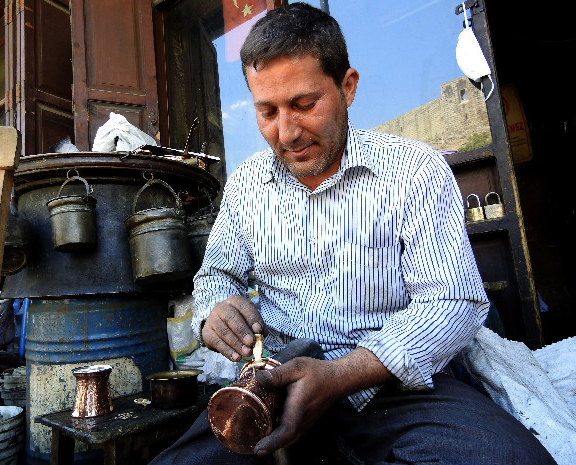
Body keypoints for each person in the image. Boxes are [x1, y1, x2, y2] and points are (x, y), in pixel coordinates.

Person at [151, 3, 556, 464]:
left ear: (347, 87)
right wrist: (214, 312)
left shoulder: (413, 170)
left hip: (392, 386)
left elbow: (454, 303)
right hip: (273, 384)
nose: (286, 133)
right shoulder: (246, 185)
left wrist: (340, 375)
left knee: (511, 459)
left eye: (304, 105)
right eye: (267, 112)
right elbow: (215, 276)